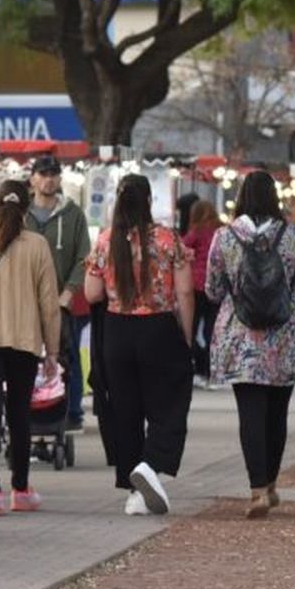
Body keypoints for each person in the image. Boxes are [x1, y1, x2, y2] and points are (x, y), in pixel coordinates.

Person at [205, 171, 295, 518]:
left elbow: (212, 289)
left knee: (250, 414)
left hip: (241, 340)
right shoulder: (292, 235)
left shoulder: (224, 237)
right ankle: (270, 483)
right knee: (277, 414)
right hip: (285, 337)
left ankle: (256, 491)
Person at [84, 173, 195, 517]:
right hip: (158, 328)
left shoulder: (105, 241)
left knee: (125, 411)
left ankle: (134, 490)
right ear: (149, 201)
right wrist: (187, 336)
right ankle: (151, 462)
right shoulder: (167, 240)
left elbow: (91, 293)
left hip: (117, 331)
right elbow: (185, 291)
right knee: (170, 402)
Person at [0, 179, 61, 516]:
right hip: (24, 340)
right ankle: (21, 488)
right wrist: (52, 350)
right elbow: (49, 303)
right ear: (26, 208)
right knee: (20, 415)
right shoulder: (37, 246)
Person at [23, 155, 93, 429]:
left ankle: (71, 411)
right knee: (27, 359)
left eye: (53, 174)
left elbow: (83, 257)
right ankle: (27, 411)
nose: (48, 179)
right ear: (33, 178)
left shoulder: (73, 214)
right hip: (25, 303)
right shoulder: (21, 213)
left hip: (61, 303)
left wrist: (68, 293)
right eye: (43, 173)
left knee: (67, 357)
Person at [183, 199, 222, 381]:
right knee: (211, 330)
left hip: (197, 286)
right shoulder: (221, 231)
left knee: (190, 328)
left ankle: (197, 364)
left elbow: (182, 249)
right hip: (217, 286)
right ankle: (210, 368)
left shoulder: (196, 232)